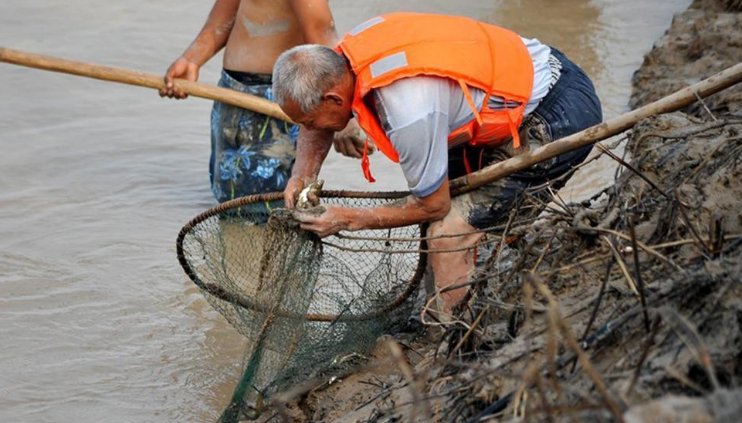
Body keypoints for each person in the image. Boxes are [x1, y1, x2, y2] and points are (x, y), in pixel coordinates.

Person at [271, 12, 603, 316]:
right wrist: (302, 174)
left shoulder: (407, 112)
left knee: (448, 232)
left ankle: (450, 339)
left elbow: (433, 204)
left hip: (558, 113)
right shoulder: (342, 58)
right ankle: (460, 288)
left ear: (334, 99)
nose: (311, 130)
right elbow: (315, 120)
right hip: (517, 79)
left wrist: (347, 218)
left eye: (311, 122)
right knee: (442, 210)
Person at [159, 0, 367, 204]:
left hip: (278, 95)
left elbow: (320, 33)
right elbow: (322, 34)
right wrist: (191, 60)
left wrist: (191, 59)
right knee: (259, 206)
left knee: (251, 205)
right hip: (260, 100)